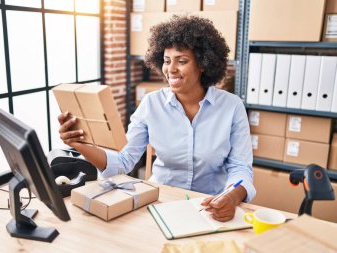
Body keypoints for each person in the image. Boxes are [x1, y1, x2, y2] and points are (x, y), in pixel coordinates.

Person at [58, 15, 255, 222]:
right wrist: (78, 144)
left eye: (182, 61)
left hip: (210, 206)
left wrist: (231, 197)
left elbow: (240, 168)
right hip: (161, 203)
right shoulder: (151, 104)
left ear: (203, 64)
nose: (171, 69)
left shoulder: (231, 107)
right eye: (167, 61)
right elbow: (123, 161)